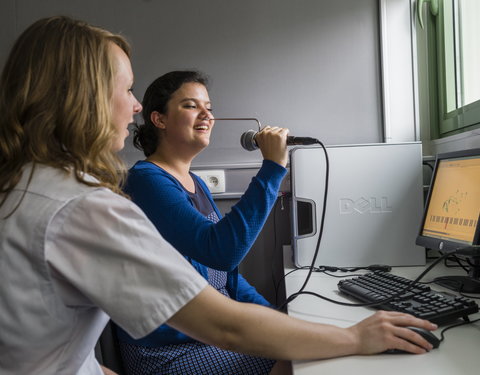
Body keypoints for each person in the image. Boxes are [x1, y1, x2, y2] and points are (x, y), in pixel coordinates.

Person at [0, 15, 438, 375]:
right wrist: (353, 336)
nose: (133, 106)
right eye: (128, 89)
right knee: (303, 360)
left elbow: (224, 282)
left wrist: (280, 319)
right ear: (85, 97)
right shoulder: (93, 201)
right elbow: (223, 292)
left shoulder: (32, 187)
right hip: (173, 351)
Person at [116, 70, 289, 374]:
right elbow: (222, 251)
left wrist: (278, 321)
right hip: (170, 350)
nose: (207, 115)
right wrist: (272, 168)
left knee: (297, 345)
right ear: (159, 119)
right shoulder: (146, 181)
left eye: (208, 107)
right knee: (295, 360)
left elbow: (226, 276)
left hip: (210, 332)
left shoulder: (196, 183)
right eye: (191, 106)